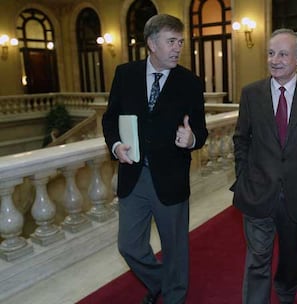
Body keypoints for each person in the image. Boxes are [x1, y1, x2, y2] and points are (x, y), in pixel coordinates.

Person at [102, 14, 208, 304]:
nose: (177, 48)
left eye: (181, 42)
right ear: (151, 43)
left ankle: (174, 296)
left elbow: (200, 129)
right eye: (171, 41)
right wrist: (115, 146)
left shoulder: (190, 82)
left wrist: (192, 139)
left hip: (171, 177)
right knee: (129, 246)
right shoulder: (125, 74)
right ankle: (162, 281)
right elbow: (110, 120)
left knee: (175, 248)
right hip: (133, 176)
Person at [230, 28, 297, 304]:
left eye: (283, 54)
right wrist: (243, 178)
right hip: (257, 193)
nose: (275, 60)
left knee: (290, 260)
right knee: (257, 260)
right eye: (271, 53)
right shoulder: (251, 93)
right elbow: (241, 139)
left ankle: (286, 296)